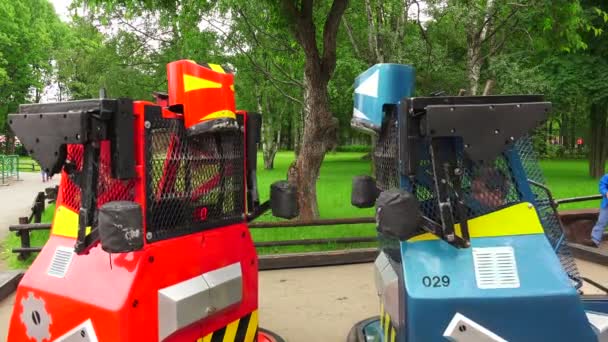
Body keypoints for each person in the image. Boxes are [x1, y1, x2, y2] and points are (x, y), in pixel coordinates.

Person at [583, 174, 608, 248]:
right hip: (607, 204)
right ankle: (595, 240)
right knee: (601, 221)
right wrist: (606, 192)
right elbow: (602, 185)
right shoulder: (607, 176)